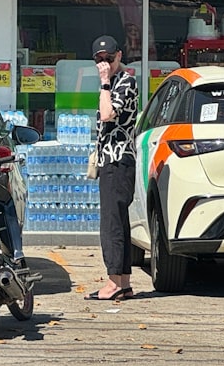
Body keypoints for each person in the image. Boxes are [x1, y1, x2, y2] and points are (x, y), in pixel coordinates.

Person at [84, 34, 139, 303]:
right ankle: (124, 282)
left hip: (118, 160)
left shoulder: (125, 81)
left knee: (112, 223)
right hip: (111, 160)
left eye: (109, 58)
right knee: (118, 221)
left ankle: (114, 282)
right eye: (99, 60)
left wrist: (105, 83)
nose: (105, 63)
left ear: (119, 56)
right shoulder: (113, 83)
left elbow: (107, 115)